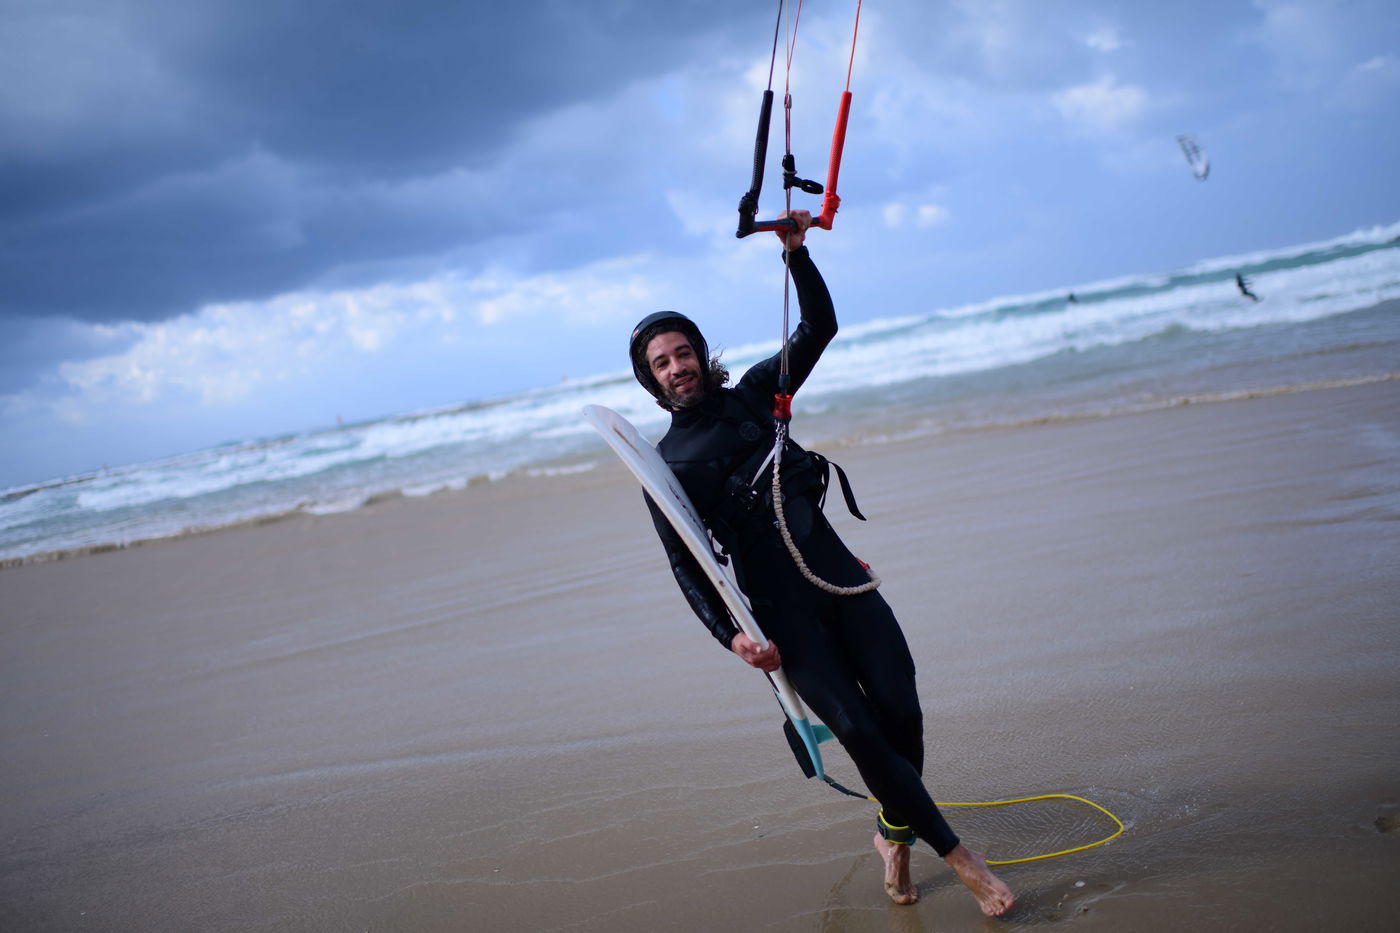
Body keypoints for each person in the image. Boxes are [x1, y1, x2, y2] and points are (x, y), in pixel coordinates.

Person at [627, 210, 1015, 917]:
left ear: (699, 352)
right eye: (662, 361)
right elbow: (687, 567)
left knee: (902, 711)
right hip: (784, 614)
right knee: (861, 732)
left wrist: (796, 254)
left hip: (842, 578)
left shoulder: (753, 396)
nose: (678, 366)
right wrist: (733, 636)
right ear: (650, 380)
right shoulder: (667, 467)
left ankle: (891, 833)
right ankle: (960, 857)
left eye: (683, 351)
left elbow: (819, 327)